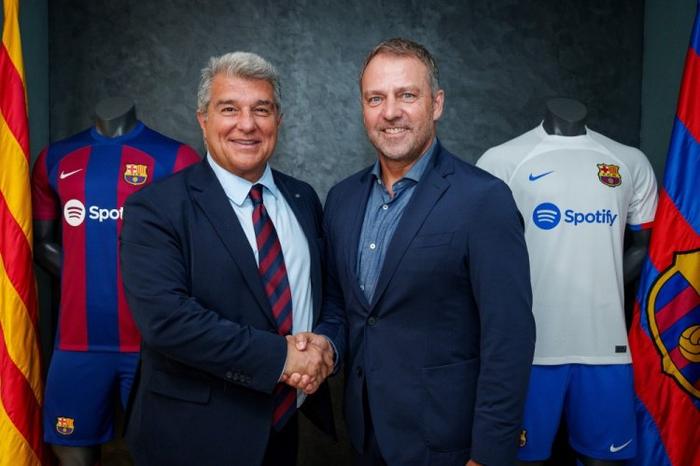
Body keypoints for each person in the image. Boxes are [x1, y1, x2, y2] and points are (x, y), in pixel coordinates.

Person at [304, 37, 535, 466]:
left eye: (407, 95)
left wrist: (489, 455)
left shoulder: (483, 200)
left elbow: (509, 337)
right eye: (376, 98)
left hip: (448, 443)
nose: (390, 111)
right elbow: (342, 305)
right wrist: (325, 347)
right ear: (363, 108)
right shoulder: (342, 200)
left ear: (436, 103)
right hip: (366, 434)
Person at [119, 51, 335, 466]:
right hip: (192, 437)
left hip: (282, 428)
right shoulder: (156, 208)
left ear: (278, 120)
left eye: (261, 109)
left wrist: (325, 345)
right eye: (229, 109)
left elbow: (326, 294)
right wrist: (282, 357)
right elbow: (167, 320)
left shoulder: (302, 198)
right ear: (203, 120)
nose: (247, 124)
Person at [476, 98, 657, 466]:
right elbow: (481, 252)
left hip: (606, 348)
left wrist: (603, 286)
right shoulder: (501, 161)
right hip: (529, 350)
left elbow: (643, 246)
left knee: (604, 461)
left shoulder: (629, 161)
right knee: (519, 459)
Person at [32, 97, 200, 466]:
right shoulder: (55, 158)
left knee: (165, 451)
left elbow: (197, 248)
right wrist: (84, 272)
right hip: (76, 341)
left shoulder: (176, 159)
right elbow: (41, 243)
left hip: (153, 343)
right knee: (69, 447)